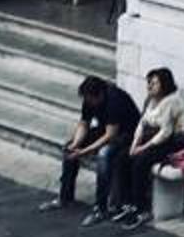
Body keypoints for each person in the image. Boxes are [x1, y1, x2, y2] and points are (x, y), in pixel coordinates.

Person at [45, 74, 139, 217]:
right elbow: (84, 124)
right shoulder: (89, 99)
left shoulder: (114, 100)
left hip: (126, 134)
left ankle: (101, 207)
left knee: (104, 155)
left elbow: (110, 134)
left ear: (100, 95)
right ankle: (65, 197)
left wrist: (85, 151)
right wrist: (76, 144)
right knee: (69, 149)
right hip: (104, 129)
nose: (88, 103)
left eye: (90, 100)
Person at [116, 68, 184, 233]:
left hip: (170, 143)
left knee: (140, 162)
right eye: (149, 82)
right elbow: (142, 124)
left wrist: (142, 147)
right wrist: (134, 145)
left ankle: (141, 208)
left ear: (164, 84)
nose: (150, 86)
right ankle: (127, 202)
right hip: (151, 138)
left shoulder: (172, 101)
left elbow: (165, 132)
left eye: (154, 83)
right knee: (123, 157)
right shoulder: (151, 100)